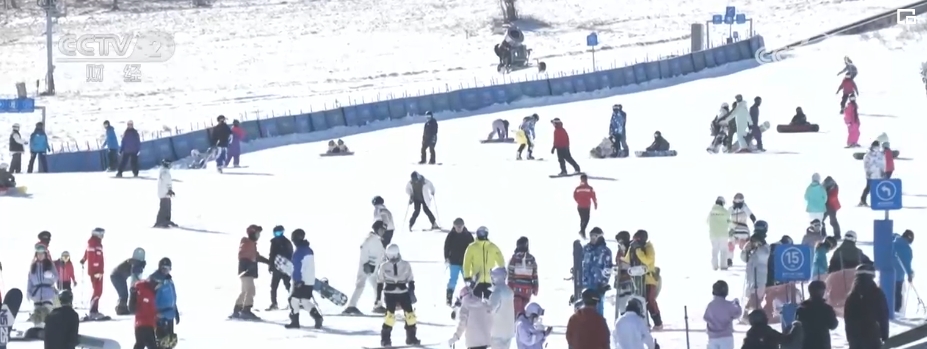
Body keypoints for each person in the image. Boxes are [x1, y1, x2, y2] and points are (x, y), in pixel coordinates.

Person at [375, 244, 421, 346]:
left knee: (410, 316)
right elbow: (380, 282)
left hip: (403, 292)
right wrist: (378, 298)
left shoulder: (405, 265)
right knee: (389, 316)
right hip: (390, 293)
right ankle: (385, 339)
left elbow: (410, 279)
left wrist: (411, 292)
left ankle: (411, 337)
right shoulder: (384, 266)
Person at [344, 221, 387, 315]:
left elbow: (381, 253)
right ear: (376, 229)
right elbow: (363, 248)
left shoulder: (378, 239)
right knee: (360, 285)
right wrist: (366, 263)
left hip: (373, 268)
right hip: (366, 266)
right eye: (381, 229)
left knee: (376, 286)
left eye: (384, 230)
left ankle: (378, 305)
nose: (383, 231)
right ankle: (351, 306)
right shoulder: (370, 239)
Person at [285, 228, 324, 329]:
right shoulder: (309, 250)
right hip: (310, 280)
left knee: (293, 300)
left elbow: (297, 267)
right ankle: (317, 317)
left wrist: (297, 280)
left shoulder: (299, 252)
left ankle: (295, 322)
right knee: (305, 301)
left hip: (301, 280)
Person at [844, 263, 888, 349]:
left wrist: (849, 337)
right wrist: (884, 335)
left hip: (855, 338)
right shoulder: (877, 293)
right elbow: (883, 315)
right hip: (872, 335)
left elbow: (847, 318)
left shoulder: (852, 295)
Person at [232, 225, 270, 320]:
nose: (258, 236)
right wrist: (249, 265)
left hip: (245, 271)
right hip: (247, 271)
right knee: (250, 291)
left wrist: (268, 262)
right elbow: (249, 256)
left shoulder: (249, 244)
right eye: (257, 233)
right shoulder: (248, 244)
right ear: (252, 234)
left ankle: (237, 310)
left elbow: (256, 256)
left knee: (245, 291)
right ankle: (246, 311)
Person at [628, 229, 662, 330]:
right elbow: (626, 259)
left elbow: (647, 260)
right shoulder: (633, 248)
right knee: (639, 301)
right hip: (637, 279)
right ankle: (643, 322)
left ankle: (658, 322)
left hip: (648, 279)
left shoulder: (649, 247)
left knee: (649, 300)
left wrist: (638, 250)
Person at [463, 227, 505, 298]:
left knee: (489, 302)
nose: (482, 235)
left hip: (490, 280)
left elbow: (501, 262)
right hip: (477, 279)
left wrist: (500, 276)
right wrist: (467, 276)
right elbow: (467, 263)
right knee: (476, 302)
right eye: (480, 233)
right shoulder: (472, 247)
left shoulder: (493, 247)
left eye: (483, 233)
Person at [795, 280, 838, 349]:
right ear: (822, 292)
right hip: (823, 344)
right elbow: (833, 325)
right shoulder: (826, 308)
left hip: (806, 344)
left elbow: (797, 326)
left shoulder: (801, 308)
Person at [448, 285, 493, 349]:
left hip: (473, 343)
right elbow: (491, 319)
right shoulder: (483, 304)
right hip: (485, 341)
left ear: (462, 297)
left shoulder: (465, 307)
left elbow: (462, 324)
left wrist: (456, 337)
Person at [582, 228, 613, 316]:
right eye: (591, 235)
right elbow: (580, 264)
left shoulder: (605, 251)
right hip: (586, 283)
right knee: (585, 307)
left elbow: (608, 268)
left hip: (598, 284)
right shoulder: (585, 249)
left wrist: (604, 283)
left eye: (595, 236)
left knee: (598, 306)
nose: (592, 238)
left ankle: (598, 324)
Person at [444, 218, 473, 306]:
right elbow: (446, 247)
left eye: (460, 227)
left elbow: (473, 248)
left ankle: (471, 296)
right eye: (457, 227)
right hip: (454, 262)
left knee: (468, 280)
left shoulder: (468, 235)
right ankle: (449, 297)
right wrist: (446, 257)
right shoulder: (451, 235)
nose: (459, 228)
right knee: (453, 280)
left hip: (466, 262)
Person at [79, 227, 107, 320]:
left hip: (98, 271)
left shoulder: (96, 243)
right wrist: (95, 271)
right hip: (96, 272)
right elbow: (92, 257)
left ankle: (95, 310)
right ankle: (93, 311)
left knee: (98, 291)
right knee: (97, 291)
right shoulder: (93, 243)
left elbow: (87, 253)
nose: (103, 236)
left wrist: (83, 259)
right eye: (101, 234)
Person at [28, 244, 59, 327]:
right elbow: (30, 281)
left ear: (45, 254)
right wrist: (28, 292)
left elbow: (56, 277)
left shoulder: (50, 265)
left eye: (42, 254)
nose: (40, 256)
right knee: (37, 313)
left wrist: (51, 276)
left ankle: (48, 328)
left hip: (48, 293)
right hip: (36, 294)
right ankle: (37, 328)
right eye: (38, 254)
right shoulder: (33, 266)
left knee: (47, 312)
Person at [741, 228, 770, 317]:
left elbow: (763, 256)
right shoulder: (751, 249)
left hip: (760, 277)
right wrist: (747, 249)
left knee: (756, 298)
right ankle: (749, 314)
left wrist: (758, 246)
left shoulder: (765, 248)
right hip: (751, 277)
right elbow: (744, 258)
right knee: (753, 298)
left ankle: (747, 314)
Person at [704, 280, 741, 349]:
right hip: (726, 336)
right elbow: (738, 313)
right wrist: (737, 304)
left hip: (713, 337)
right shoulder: (729, 305)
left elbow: (706, 317)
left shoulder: (710, 305)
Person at [150, 258, 178, 349]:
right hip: (160, 315)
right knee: (161, 342)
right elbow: (148, 297)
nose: (165, 270)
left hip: (170, 315)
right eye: (163, 268)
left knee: (169, 341)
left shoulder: (169, 280)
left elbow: (173, 297)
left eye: (167, 268)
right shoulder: (154, 279)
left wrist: (176, 311)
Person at [507, 236, 538, 315]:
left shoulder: (514, 258)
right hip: (527, 290)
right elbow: (535, 275)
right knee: (523, 309)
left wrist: (510, 286)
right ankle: (523, 323)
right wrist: (535, 287)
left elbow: (510, 273)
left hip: (516, 289)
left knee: (517, 311)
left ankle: (517, 324)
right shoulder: (531, 258)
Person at [110, 248, 146, 315]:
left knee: (123, 293)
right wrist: (139, 263)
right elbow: (129, 261)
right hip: (116, 276)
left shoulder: (134, 266)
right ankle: (120, 309)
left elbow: (135, 275)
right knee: (123, 294)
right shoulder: (131, 261)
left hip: (119, 277)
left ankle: (122, 308)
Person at [267, 225, 293, 311]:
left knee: (288, 285)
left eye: (279, 232)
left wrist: (289, 266)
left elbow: (290, 255)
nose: (277, 234)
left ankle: (294, 302)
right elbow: (272, 255)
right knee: (273, 286)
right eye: (276, 233)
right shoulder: (273, 242)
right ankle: (274, 303)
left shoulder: (287, 242)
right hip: (276, 268)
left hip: (285, 268)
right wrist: (270, 265)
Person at [727, 193, 756, 267]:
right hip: (743, 229)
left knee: (730, 244)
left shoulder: (730, 209)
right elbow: (751, 216)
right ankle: (748, 258)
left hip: (732, 229)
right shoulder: (744, 207)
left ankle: (729, 259)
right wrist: (755, 222)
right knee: (744, 244)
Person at [488, 267, 515, 349]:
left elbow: (490, 309)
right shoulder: (509, 291)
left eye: (492, 276)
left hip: (497, 332)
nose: (491, 279)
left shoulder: (497, 293)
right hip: (508, 331)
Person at [133, 279, 159, 349]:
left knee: (142, 344)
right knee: (145, 344)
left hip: (143, 324)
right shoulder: (146, 293)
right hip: (145, 324)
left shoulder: (147, 292)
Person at [859, 140, 886, 206]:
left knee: (878, 188)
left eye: (877, 147)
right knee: (868, 187)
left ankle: (879, 200)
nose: (876, 148)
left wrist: (883, 171)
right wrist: (868, 172)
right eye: (875, 147)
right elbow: (866, 165)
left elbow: (883, 163)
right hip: (871, 174)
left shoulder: (880, 155)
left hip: (879, 174)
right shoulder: (868, 155)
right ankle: (863, 200)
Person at [707, 196, 730, 271]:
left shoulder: (711, 212)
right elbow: (729, 222)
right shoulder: (725, 212)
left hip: (713, 235)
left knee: (715, 250)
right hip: (723, 234)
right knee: (723, 250)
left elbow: (707, 221)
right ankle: (723, 266)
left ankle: (715, 266)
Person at [894, 230, 915, 313]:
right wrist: (910, 275)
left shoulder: (893, 243)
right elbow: (907, 264)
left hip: (886, 275)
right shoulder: (907, 249)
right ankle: (896, 314)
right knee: (897, 298)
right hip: (898, 277)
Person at [154, 159, 176, 228]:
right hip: (164, 192)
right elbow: (167, 182)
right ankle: (160, 221)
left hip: (164, 192)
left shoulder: (164, 171)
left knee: (167, 206)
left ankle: (166, 220)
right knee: (164, 207)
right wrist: (169, 190)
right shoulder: (165, 172)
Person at [573, 174, 597, 238]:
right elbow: (593, 196)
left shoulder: (577, 188)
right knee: (586, 219)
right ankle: (582, 231)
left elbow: (574, 196)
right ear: (586, 179)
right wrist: (595, 204)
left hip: (580, 206)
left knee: (582, 219)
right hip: (586, 206)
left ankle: (582, 232)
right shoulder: (589, 188)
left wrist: (578, 201)